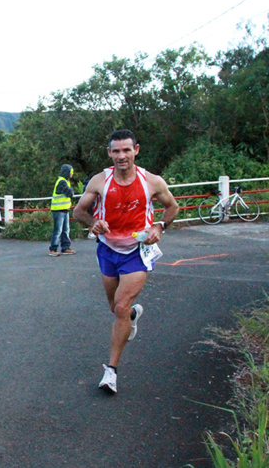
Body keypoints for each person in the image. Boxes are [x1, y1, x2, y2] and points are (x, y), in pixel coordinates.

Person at [73, 129, 179, 394]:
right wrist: (93, 223)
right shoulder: (100, 181)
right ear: (109, 153)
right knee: (116, 309)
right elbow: (78, 212)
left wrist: (159, 227)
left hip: (137, 250)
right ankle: (132, 315)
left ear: (136, 150)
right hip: (108, 249)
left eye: (127, 150)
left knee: (120, 306)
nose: (122, 156)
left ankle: (111, 371)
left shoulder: (151, 182)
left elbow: (172, 207)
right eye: (116, 151)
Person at [49, 164, 76, 257]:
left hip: (64, 209)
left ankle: (65, 247)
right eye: (71, 171)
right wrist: (71, 191)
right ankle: (53, 249)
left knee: (65, 230)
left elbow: (70, 192)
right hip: (58, 210)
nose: (72, 173)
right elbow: (70, 193)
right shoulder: (62, 182)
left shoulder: (65, 181)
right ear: (67, 172)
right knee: (58, 230)